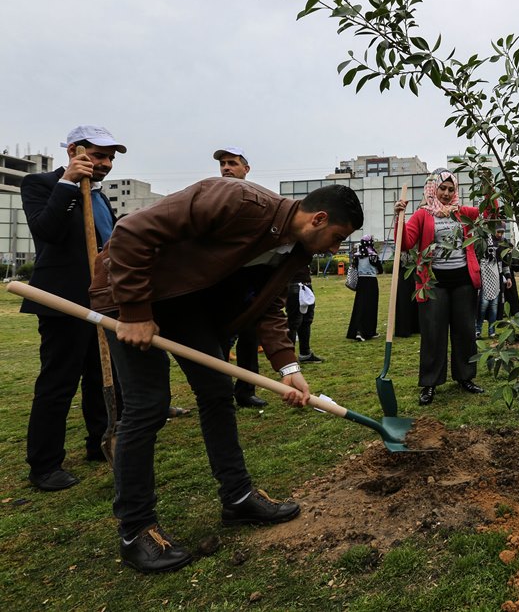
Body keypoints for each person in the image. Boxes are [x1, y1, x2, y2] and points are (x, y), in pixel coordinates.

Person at [90, 178, 362, 573]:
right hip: (128, 292)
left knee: (217, 392)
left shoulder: (294, 252)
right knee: (148, 405)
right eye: (337, 237)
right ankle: (135, 530)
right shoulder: (237, 201)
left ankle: (237, 499)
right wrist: (134, 310)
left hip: (183, 305)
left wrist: (288, 367)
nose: (336, 249)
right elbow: (130, 232)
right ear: (318, 218)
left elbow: (268, 305)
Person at [19, 125, 124, 491]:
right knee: (59, 383)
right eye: (98, 156)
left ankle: (99, 441)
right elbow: (46, 231)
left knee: (102, 375)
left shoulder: (100, 197)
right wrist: (67, 183)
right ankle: (45, 465)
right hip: (62, 300)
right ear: (74, 151)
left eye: (110, 158)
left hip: (102, 301)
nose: (106, 163)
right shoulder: (41, 185)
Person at [394, 168, 487, 405]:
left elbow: (490, 212)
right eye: (442, 188)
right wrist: (399, 218)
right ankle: (430, 383)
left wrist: (489, 188)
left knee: (465, 331)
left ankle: (465, 377)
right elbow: (405, 243)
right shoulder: (422, 215)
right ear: (433, 189)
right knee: (433, 333)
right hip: (433, 282)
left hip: (463, 281)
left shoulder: (462, 213)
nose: (446, 193)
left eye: (450, 189)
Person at [213, 147, 267, 408]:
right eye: (223, 163)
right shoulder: (211, 197)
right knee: (220, 342)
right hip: (218, 283)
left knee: (249, 338)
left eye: (232, 163)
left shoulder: (256, 199)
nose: (226, 167)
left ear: (246, 169)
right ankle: (220, 393)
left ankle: (246, 390)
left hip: (249, 283)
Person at [476, 225, 512, 338]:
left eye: (502, 232)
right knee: (483, 305)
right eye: (498, 232)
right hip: (485, 276)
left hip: (497, 277)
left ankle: (492, 331)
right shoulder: (483, 241)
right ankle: (478, 329)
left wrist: (508, 277)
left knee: (494, 306)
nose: (500, 235)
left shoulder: (503, 244)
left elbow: (504, 262)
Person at [347, 234, 383, 341]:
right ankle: (369, 331)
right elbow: (380, 270)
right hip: (371, 282)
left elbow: (354, 268)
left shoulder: (357, 256)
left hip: (361, 282)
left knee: (360, 306)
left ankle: (357, 330)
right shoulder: (373, 255)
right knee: (371, 307)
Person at [286, 264, 323, 363]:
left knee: (306, 320)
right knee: (294, 322)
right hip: (295, 284)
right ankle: (289, 357)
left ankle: (305, 353)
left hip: (305, 284)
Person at [393, 249, 421, 338]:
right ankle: (404, 328)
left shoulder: (415, 249)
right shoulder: (401, 250)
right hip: (405, 275)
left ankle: (414, 326)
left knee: (414, 299)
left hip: (414, 273)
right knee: (404, 301)